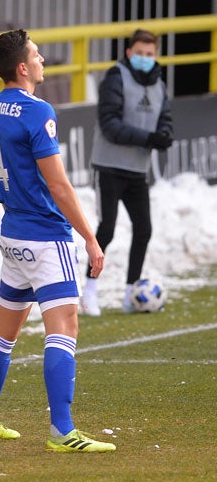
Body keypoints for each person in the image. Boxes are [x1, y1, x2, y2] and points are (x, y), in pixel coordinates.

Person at [0, 29, 115, 452]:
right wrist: (90, 238)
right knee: (64, 327)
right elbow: (59, 186)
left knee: (3, 333)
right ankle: (63, 431)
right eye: (36, 55)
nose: (42, 60)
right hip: (46, 237)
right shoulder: (37, 110)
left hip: (13, 234)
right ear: (22, 67)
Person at [82, 29, 174, 316]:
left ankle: (129, 293)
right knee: (106, 229)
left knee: (143, 229)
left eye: (151, 54)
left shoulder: (159, 85)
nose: (146, 59)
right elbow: (110, 124)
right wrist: (148, 138)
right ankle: (89, 290)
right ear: (129, 53)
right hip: (109, 166)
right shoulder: (115, 77)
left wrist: (164, 135)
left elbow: (165, 119)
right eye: (140, 53)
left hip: (137, 170)